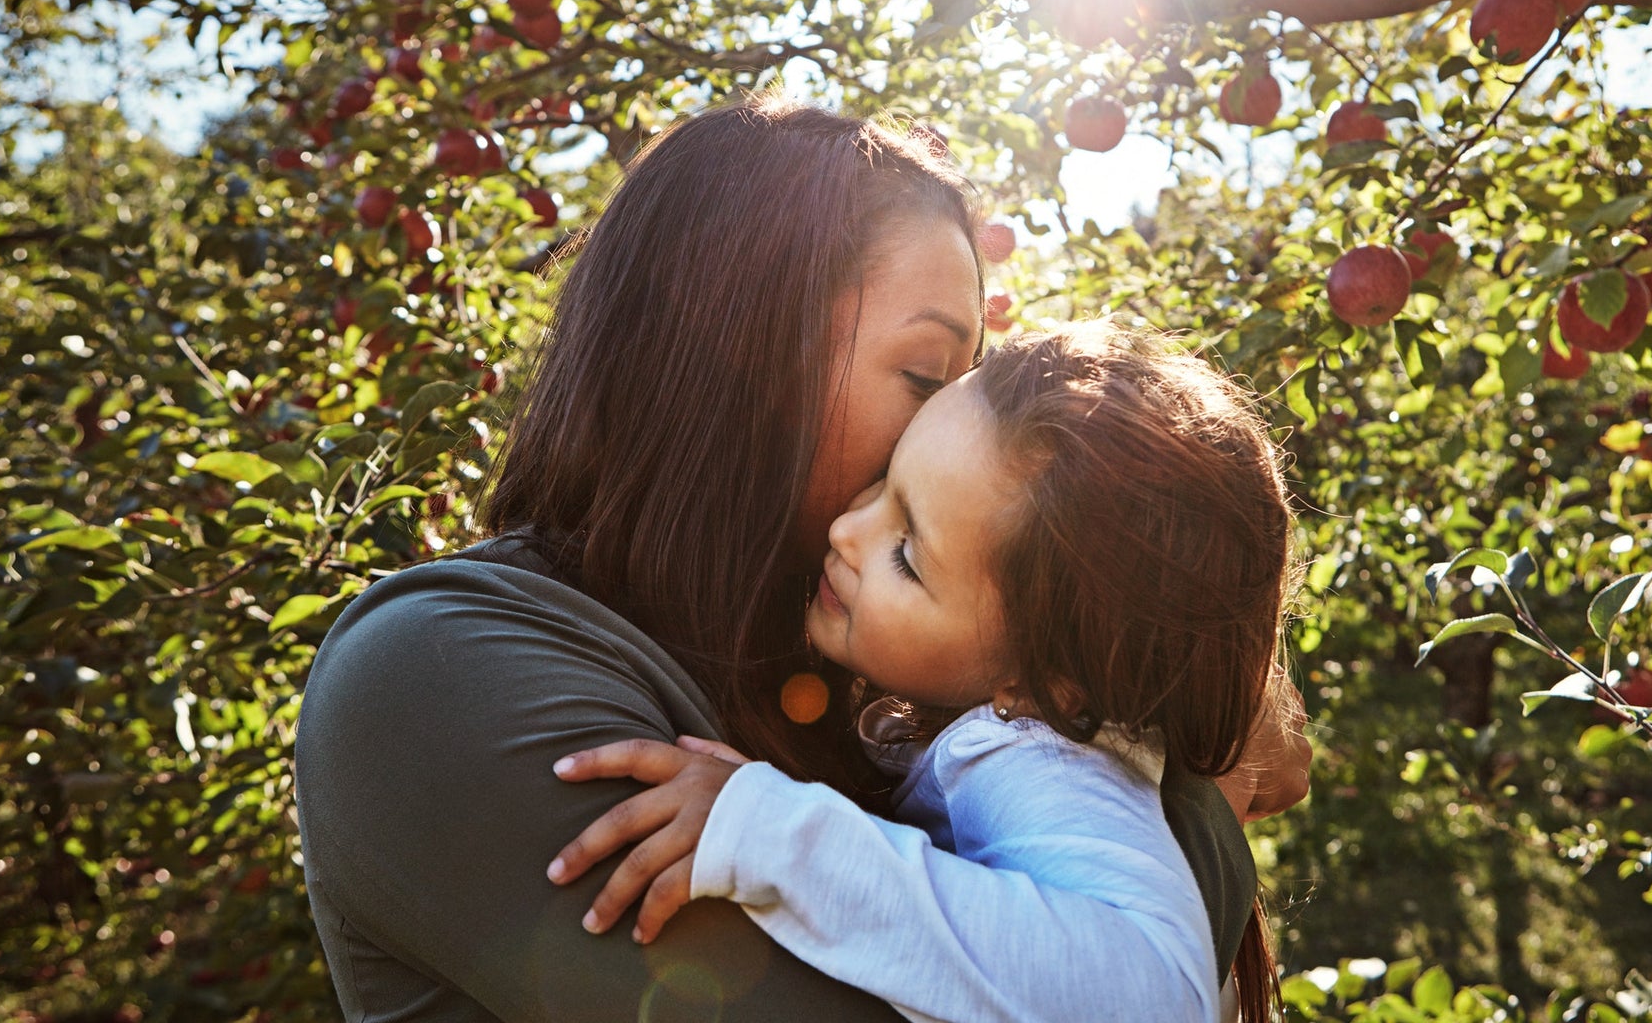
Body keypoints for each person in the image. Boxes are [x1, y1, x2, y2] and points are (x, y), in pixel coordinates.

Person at [293, 94, 1309, 1022]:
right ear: (731, 348)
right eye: (924, 376)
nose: (948, 442)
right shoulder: (435, 674)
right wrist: (1203, 796)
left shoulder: (875, 683)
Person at [546, 324, 1298, 1022]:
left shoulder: (1031, 759)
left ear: (1042, 685)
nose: (847, 530)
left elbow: (1150, 1000)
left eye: (907, 556)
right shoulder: (1007, 688)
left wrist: (765, 832)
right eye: (883, 484)